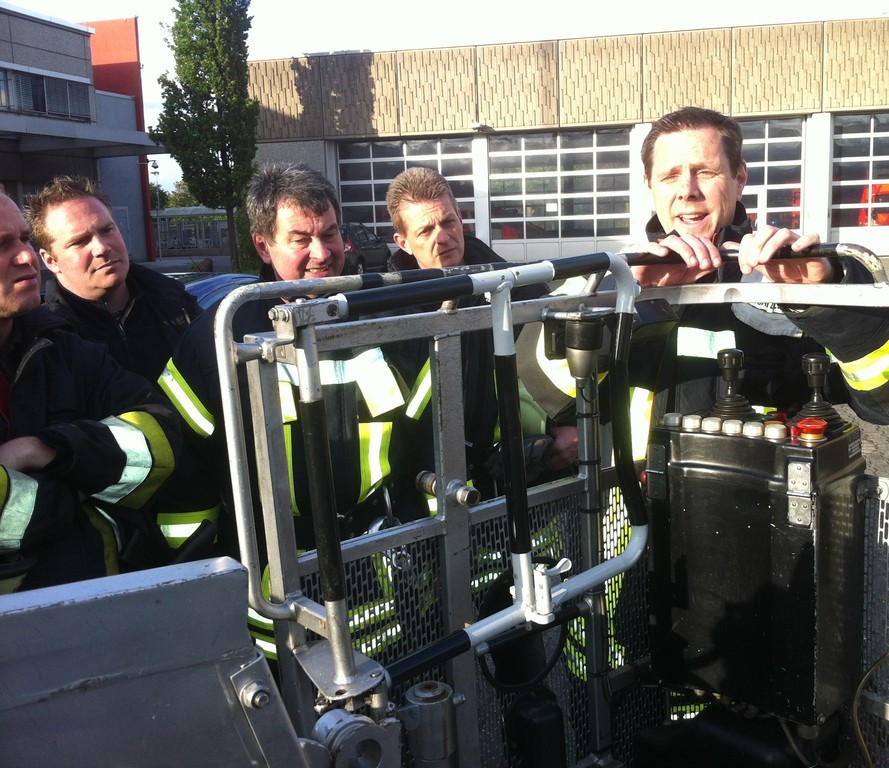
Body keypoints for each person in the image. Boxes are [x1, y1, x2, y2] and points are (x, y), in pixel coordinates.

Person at [159, 162, 420, 660]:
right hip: (277, 591)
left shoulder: (383, 312)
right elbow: (184, 470)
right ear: (263, 246)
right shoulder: (222, 336)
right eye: (301, 239)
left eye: (330, 233)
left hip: (387, 571)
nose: (322, 253)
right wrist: (202, 572)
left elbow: (425, 434)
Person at [627, 106, 889, 425]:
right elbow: (574, 399)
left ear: (739, 178)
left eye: (705, 172)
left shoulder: (784, 279)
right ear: (649, 185)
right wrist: (628, 301)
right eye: (670, 176)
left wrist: (829, 292)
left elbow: (887, 402)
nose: (687, 191)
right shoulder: (610, 285)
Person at [0, 191, 182, 593]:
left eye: (24, 238)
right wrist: (86, 482)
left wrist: (46, 449)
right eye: (2, 245)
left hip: (108, 600)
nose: (25, 256)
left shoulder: (60, 347)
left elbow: (161, 437)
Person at [385, 166, 578, 497]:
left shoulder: (518, 286)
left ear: (461, 218)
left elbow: (565, 364)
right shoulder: (387, 314)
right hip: (428, 492)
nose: (442, 237)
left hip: (519, 481)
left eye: (448, 222)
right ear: (402, 243)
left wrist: (573, 429)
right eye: (425, 230)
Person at [25, 175, 201, 383]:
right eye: (80, 241)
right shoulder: (44, 344)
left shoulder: (177, 304)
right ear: (50, 260)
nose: (102, 247)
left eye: (106, 230)